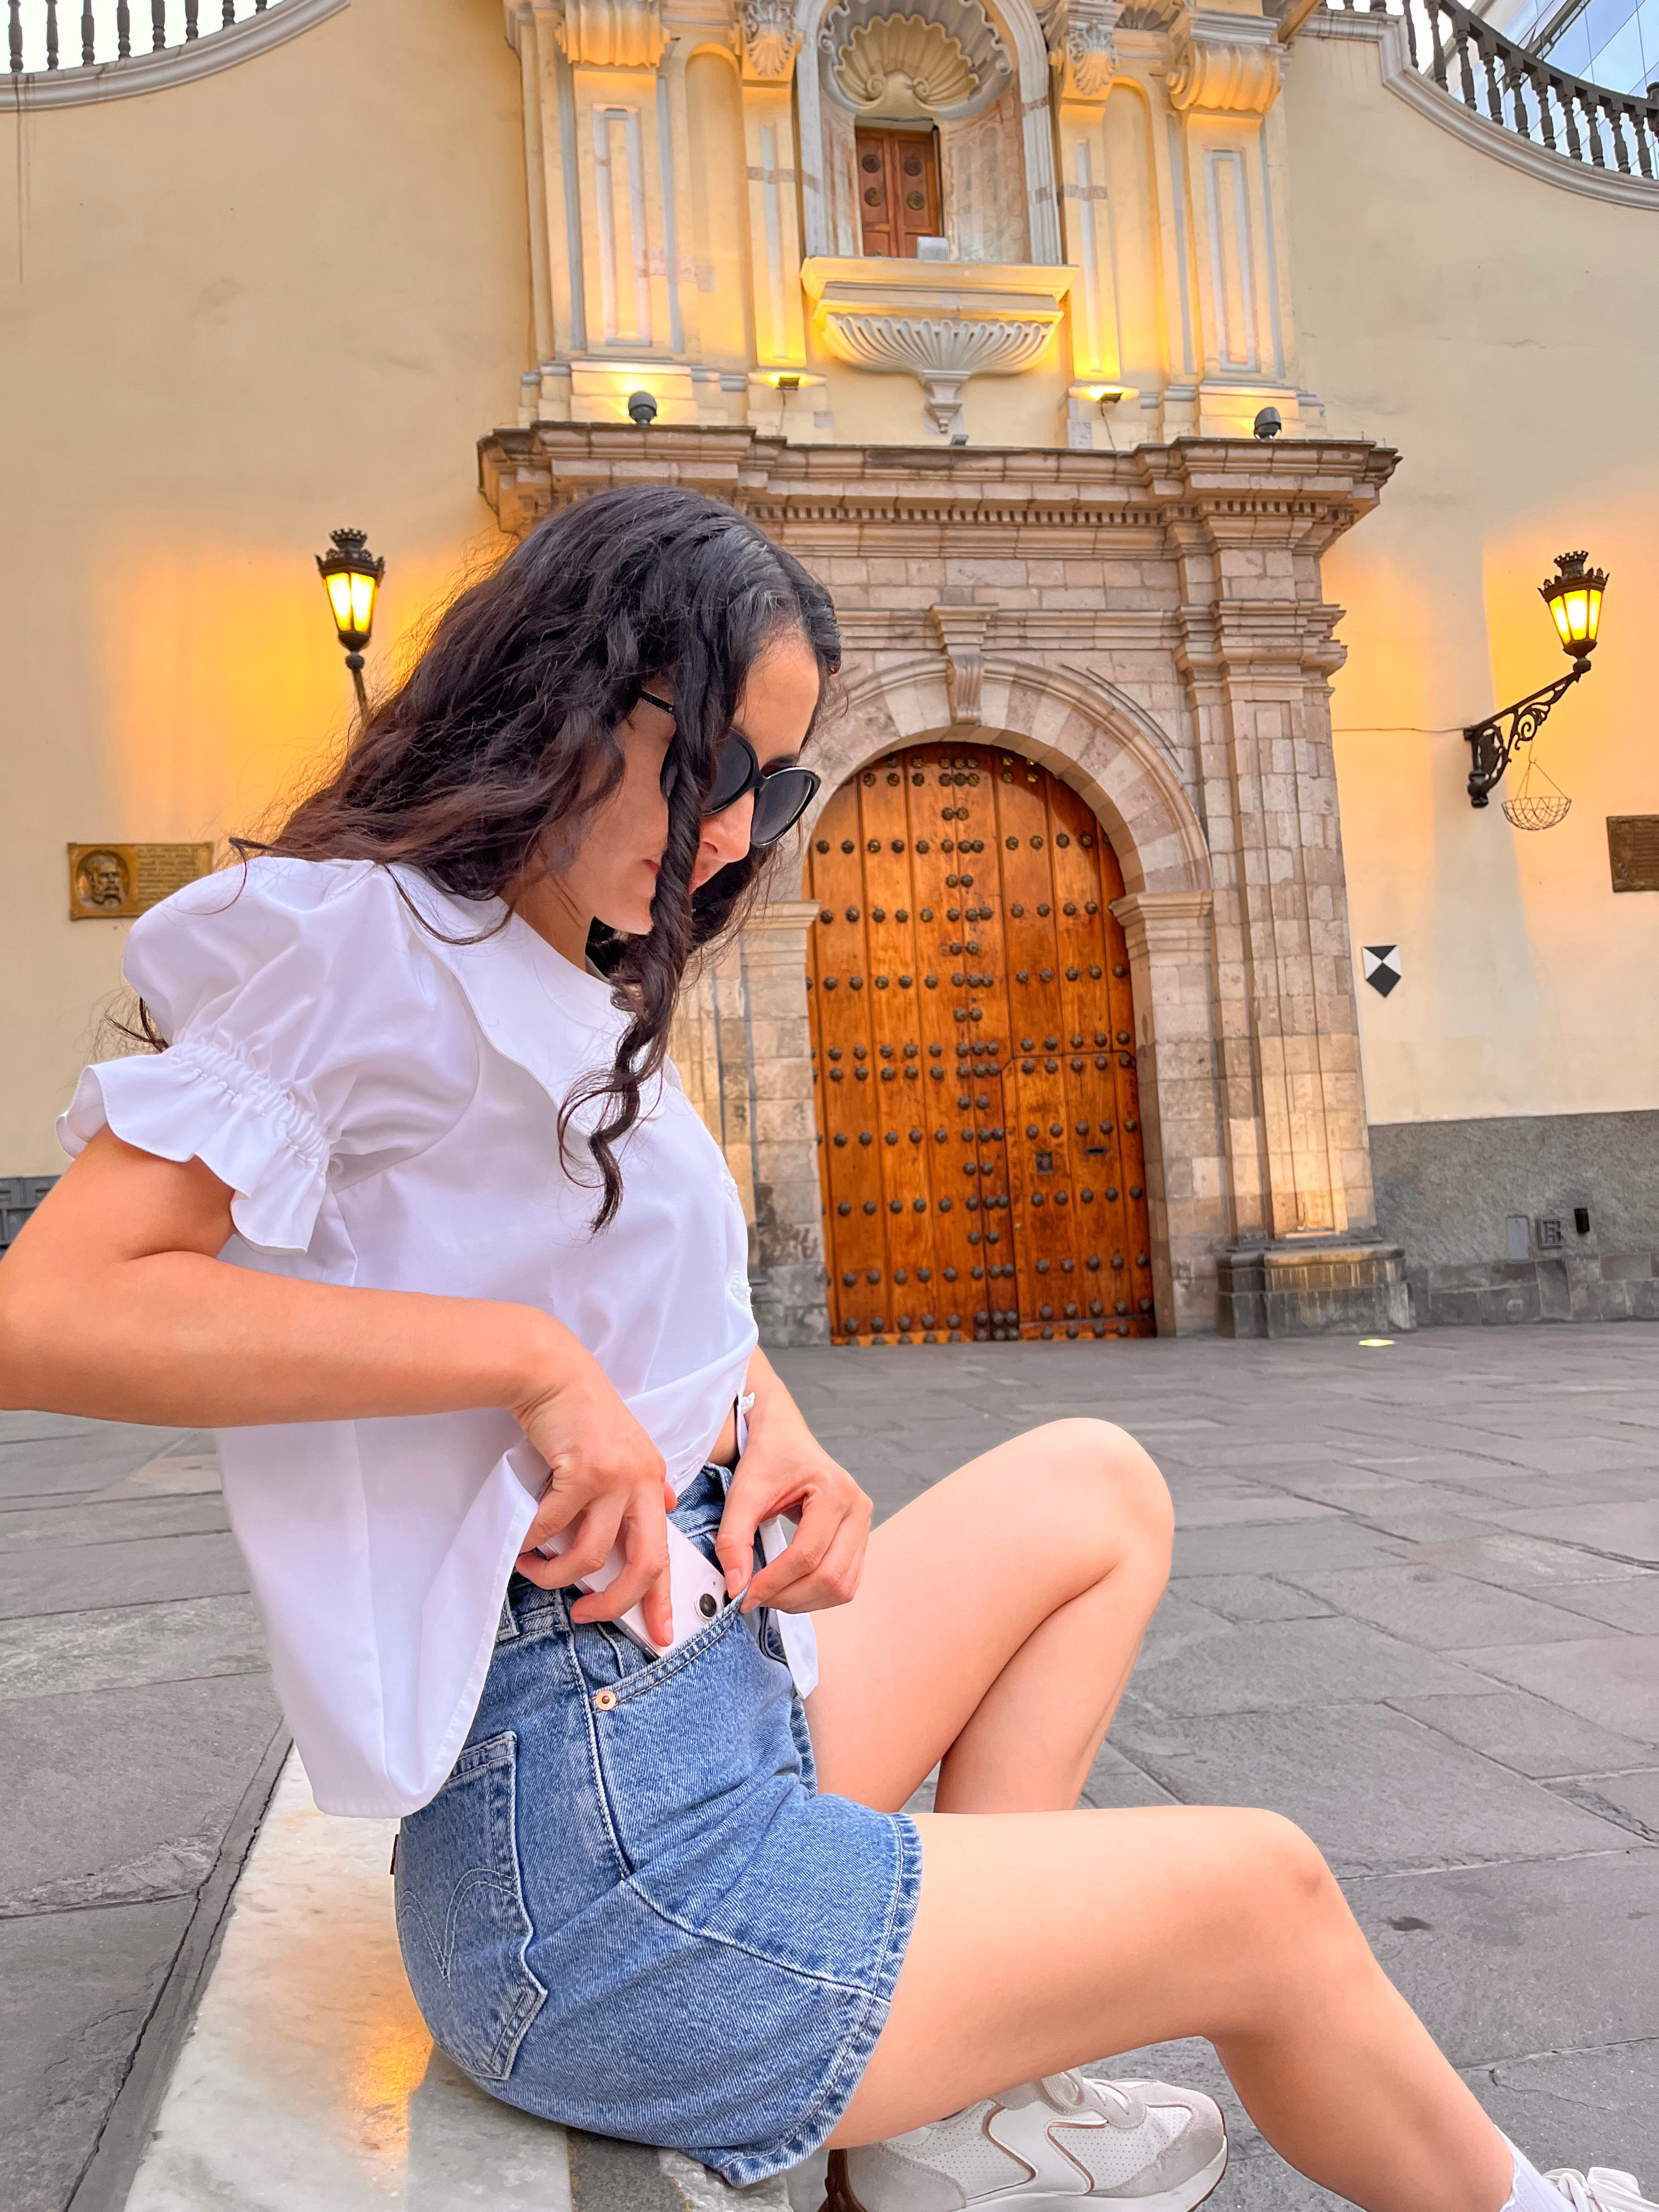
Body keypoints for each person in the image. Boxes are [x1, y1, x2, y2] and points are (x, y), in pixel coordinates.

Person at [0, 488, 1647, 2212]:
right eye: (710, 765)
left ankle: (952, 2103)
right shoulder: (356, 940)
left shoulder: (574, 968)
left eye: (776, 790)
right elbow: (53, 1309)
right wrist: (527, 1366)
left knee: (1096, 1485)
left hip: (718, 1706)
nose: (733, 830)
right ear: (567, 692)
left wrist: (769, 1427)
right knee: (1268, 1893)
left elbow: (647, 1301)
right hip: (597, 1871)